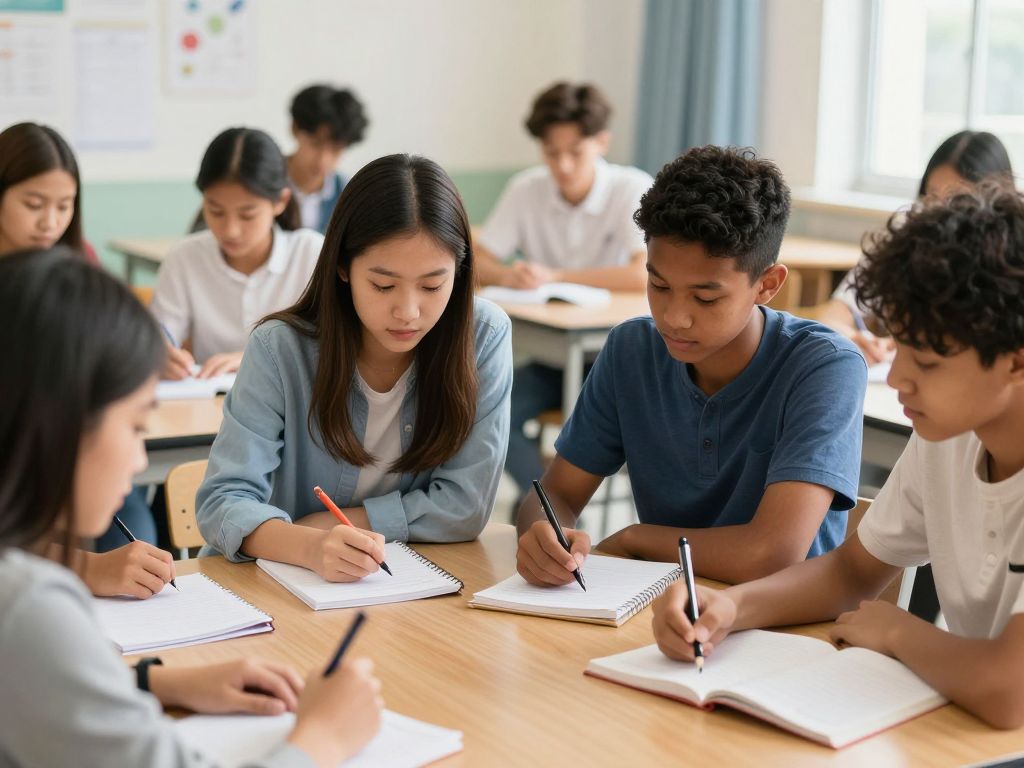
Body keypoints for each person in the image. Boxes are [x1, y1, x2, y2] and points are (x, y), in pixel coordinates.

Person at [652, 183, 1024, 729]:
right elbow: (852, 572)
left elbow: (1008, 691)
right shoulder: (948, 438)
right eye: (898, 348)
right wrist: (731, 607)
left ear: (1015, 362)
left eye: (926, 362)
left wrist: (897, 631)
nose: (897, 380)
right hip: (964, 730)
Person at [0, 248, 382, 766]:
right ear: (60, 424)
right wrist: (322, 739)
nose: (139, 461)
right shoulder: (27, 606)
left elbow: (33, 690)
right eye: (135, 426)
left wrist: (155, 683)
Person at [515, 146, 866, 587]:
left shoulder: (824, 368)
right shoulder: (631, 350)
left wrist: (635, 540)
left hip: (784, 628)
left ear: (768, 285)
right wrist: (544, 534)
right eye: (658, 285)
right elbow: (557, 494)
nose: (674, 317)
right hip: (661, 608)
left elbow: (772, 553)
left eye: (705, 298)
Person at [196, 154, 513, 580]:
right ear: (343, 267)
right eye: (382, 285)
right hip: (272, 584)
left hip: (401, 588)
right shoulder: (279, 350)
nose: (408, 311)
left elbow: (465, 506)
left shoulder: (483, 336)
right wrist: (308, 546)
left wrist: (337, 523)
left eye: (433, 285)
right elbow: (223, 501)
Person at [0, 120, 164, 577]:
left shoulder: (77, 262)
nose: (50, 222)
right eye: (33, 204)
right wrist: (90, 570)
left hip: (84, 448)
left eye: (64, 206)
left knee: (137, 531)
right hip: (33, 459)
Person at [474, 82, 654, 498]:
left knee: (597, 432)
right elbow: (479, 259)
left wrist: (556, 275)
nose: (563, 165)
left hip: (619, 362)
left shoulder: (631, 187)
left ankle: (552, 502)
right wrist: (508, 274)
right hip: (553, 361)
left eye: (576, 151)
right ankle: (544, 500)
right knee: (483, 409)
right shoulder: (526, 189)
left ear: (602, 142)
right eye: (552, 153)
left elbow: (639, 273)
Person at [819, 130, 1015, 365]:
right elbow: (834, 315)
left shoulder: (1010, 261)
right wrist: (852, 338)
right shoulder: (903, 237)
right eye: (931, 197)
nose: (942, 214)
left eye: (959, 202)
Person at [151, 127, 324, 380]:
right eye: (216, 210)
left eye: (247, 215)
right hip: (208, 403)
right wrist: (159, 353)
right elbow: (161, 333)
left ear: (280, 202)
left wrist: (255, 359)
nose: (230, 230)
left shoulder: (310, 253)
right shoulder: (185, 257)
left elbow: (333, 345)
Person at [287, 84, 369, 233]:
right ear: (294, 129)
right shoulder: (262, 182)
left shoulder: (348, 194)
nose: (323, 160)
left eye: (336, 150)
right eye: (315, 144)